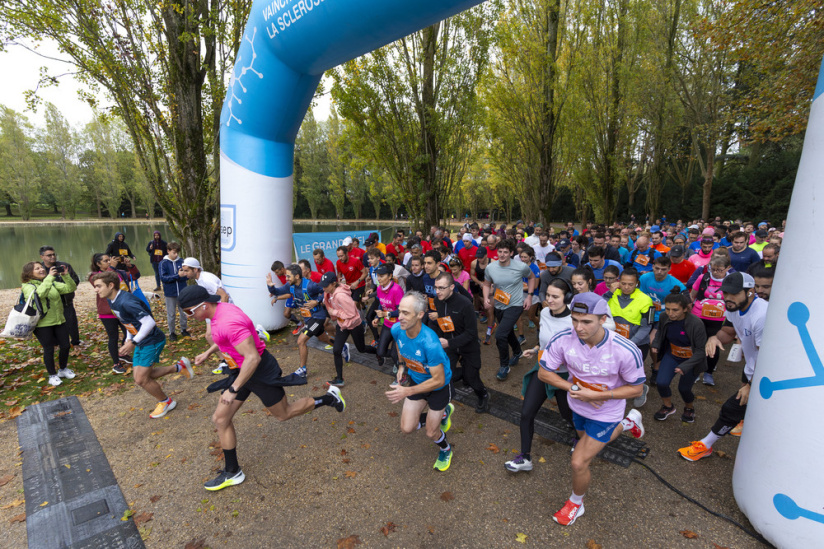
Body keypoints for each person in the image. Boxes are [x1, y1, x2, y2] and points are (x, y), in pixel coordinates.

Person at [179, 286, 344, 491]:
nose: (188, 316)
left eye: (189, 312)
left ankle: (329, 398)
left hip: (258, 371)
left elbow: (252, 358)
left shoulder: (228, 321)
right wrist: (209, 352)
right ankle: (233, 471)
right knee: (220, 419)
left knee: (284, 414)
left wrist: (233, 389)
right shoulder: (219, 310)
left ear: (203, 305)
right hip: (240, 371)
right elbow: (226, 338)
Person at [537, 293, 646, 526]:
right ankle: (628, 423)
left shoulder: (625, 349)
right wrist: (574, 388)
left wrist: (598, 395)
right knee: (586, 439)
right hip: (577, 405)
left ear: (603, 319)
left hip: (607, 412)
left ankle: (576, 503)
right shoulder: (563, 339)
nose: (579, 327)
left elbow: (637, 389)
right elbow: (544, 373)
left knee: (578, 461)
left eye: (586, 321)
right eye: (575, 320)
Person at [678, 273, 766, 461]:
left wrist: (751, 385)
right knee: (745, 409)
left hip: (766, 375)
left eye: (734, 293)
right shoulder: (734, 307)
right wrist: (714, 338)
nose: (728, 298)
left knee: (731, 409)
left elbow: (767, 357)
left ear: (750, 291)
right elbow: (728, 331)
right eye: (725, 293)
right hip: (752, 368)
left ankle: (706, 446)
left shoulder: (762, 316)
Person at [91, 271, 192, 418]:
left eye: (98, 286)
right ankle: (179, 367)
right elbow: (127, 321)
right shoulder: (112, 299)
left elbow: (149, 323)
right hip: (141, 340)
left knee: (141, 379)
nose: (96, 289)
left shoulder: (126, 302)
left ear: (111, 285)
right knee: (144, 375)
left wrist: (133, 342)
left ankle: (166, 402)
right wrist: (128, 338)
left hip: (152, 341)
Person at [506, 279, 576, 473]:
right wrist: (536, 348)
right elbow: (545, 339)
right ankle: (525, 457)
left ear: (567, 298)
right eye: (548, 295)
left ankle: (580, 437)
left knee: (568, 414)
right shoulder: (544, 313)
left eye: (555, 297)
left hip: (563, 375)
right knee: (526, 413)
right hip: (543, 369)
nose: (550, 300)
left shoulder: (575, 321)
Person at [385, 292, 456, 472]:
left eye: (406, 313)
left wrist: (407, 391)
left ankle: (446, 449)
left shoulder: (430, 343)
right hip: (417, 382)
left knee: (431, 432)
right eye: (399, 311)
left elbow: (439, 379)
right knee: (407, 428)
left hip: (439, 387)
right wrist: (402, 365)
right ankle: (442, 415)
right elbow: (400, 345)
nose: (400, 317)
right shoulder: (397, 329)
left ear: (420, 315)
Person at [430, 272, 490, 413]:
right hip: (449, 344)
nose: (437, 291)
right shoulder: (438, 301)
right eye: (436, 287)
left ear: (452, 287)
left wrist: (449, 343)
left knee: (472, 378)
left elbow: (471, 333)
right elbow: (442, 323)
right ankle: (461, 377)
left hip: (468, 345)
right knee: (445, 374)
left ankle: (483, 395)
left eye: (441, 288)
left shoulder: (465, 304)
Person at [650, 289, 707, 423]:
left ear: (685, 309)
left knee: (684, 388)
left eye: (675, 310)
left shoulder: (696, 323)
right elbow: (660, 332)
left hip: (691, 359)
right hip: (672, 354)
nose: (670, 313)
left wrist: (685, 366)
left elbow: (701, 350)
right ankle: (668, 406)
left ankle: (689, 408)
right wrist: (656, 344)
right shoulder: (664, 317)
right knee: (661, 382)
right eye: (668, 309)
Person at [483, 238, 536, 381]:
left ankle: (504, 366)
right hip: (499, 305)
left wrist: (529, 296)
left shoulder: (520, 266)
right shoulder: (491, 267)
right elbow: (486, 284)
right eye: (500, 251)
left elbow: (532, 278)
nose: (502, 255)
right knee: (508, 332)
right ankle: (518, 352)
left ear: (511, 253)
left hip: (515, 305)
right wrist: (486, 297)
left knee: (500, 335)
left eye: (505, 252)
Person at [268, 265, 330, 377]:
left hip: (318, 317)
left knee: (301, 341)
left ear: (297, 276)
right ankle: (342, 347)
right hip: (308, 318)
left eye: (288, 276)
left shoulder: (310, 285)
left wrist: (317, 301)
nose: (286, 278)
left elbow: (325, 290)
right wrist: (270, 286)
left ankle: (303, 370)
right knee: (323, 338)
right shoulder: (290, 285)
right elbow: (277, 291)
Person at [22, 261, 78, 386]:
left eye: (41, 267)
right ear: (29, 273)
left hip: (59, 320)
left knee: (65, 346)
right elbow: (40, 294)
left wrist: (65, 275)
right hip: (42, 324)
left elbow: (70, 288)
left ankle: (63, 369)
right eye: (37, 268)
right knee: (49, 349)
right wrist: (49, 277)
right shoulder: (27, 286)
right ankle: (52, 375)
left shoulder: (51, 282)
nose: (42, 269)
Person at [320, 272, 377, 386]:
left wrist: (334, 312)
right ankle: (339, 379)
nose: (323, 288)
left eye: (326, 286)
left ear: (334, 284)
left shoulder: (341, 296)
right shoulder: (330, 292)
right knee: (336, 350)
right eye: (323, 285)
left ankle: (379, 352)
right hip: (343, 325)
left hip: (354, 324)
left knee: (361, 349)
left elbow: (351, 313)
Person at [689, 256, 732, 386]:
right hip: (699, 315)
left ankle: (708, 373)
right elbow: (692, 295)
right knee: (698, 344)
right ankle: (696, 371)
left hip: (719, 319)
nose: (715, 272)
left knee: (714, 346)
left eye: (719, 270)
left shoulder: (731, 280)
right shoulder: (703, 278)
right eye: (712, 269)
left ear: (728, 268)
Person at [89, 253, 129, 374]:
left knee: (129, 333)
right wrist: (112, 267)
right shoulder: (94, 276)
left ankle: (123, 354)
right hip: (107, 312)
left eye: (109, 260)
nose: (108, 262)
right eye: (105, 261)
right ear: (98, 264)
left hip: (122, 309)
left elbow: (134, 275)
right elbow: (104, 281)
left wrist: (130, 266)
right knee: (113, 337)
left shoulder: (116, 271)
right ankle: (116, 363)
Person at [40, 246, 82, 346]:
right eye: (49, 255)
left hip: (66, 301)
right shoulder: (40, 269)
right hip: (50, 302)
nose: (52, 257)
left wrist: (63, 282)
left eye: (54, 254)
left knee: (71, 322)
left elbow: (75, 281)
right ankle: (56, 343)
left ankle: (75, 342)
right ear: (42, 257)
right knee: (54, 324)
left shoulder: (64, 266)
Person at [372, 264, 403, 371]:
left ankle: (401, 369)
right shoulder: (379, 288)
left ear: (390, 276)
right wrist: (377, 317)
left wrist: (385, 314)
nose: (379, 278)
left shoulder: (396, 289)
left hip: (399, 326)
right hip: (387, 324)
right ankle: (402, 358)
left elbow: (401, 311)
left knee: (395, 354)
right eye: (377, 276)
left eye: (381, 276)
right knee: (380, 352)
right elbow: (381, 304)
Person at [158, 242, 191, 341]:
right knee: (171, 314)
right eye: (174, 252)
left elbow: (187, 275)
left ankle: (184, 329)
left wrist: (184, 275)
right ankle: (172, 332)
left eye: (177, 252)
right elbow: (163, 278)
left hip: (182, 291)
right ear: (168, 251)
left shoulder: (182, 261)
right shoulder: (163, 263)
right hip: (170, 293)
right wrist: (177, 276)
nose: (176, 255)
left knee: (183, 312)